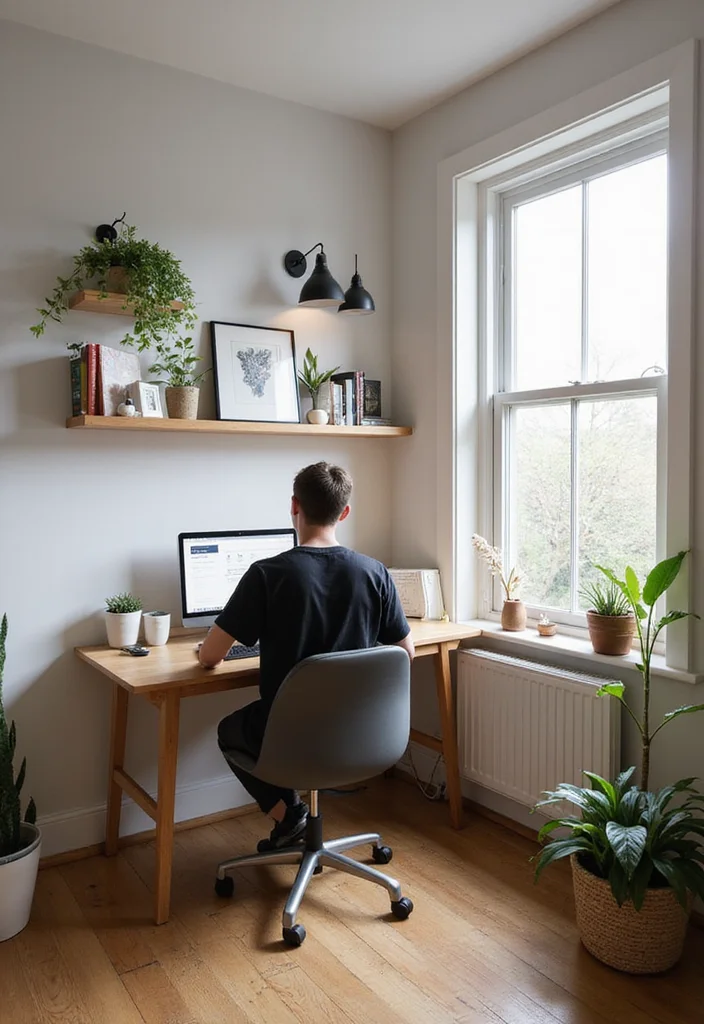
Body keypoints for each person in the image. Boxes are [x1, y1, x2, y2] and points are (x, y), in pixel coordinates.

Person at [197, 461, 414, 851]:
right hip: (360, 735)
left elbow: (210, 657)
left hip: (290, 736)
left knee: (230, 729)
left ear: (294, 506)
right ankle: (294, 818)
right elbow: (404, 655)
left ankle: (290, 814)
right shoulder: (375, 572)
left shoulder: (267, 574)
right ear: (344, 512)